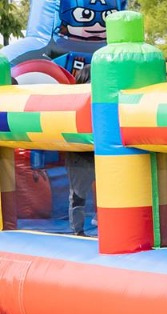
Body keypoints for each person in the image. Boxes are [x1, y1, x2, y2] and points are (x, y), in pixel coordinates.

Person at [65, 65, 95, 236]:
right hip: (79, 155)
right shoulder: (77, 101)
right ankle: (77, 230)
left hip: (97, 153)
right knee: (78, 193)